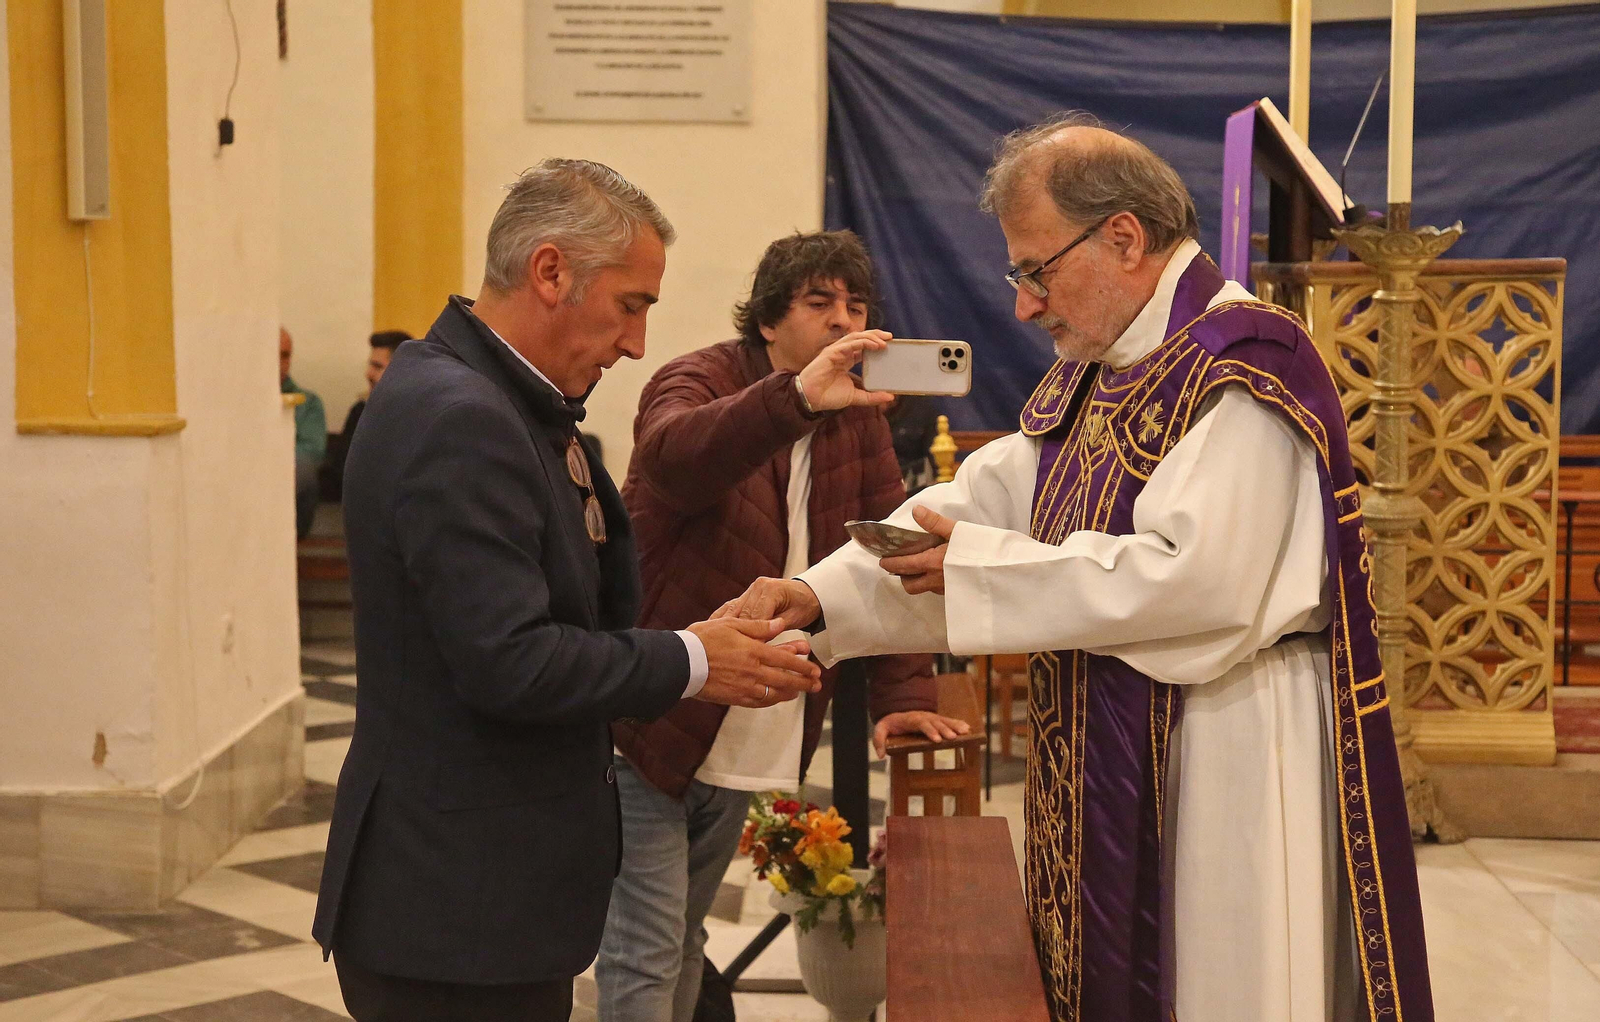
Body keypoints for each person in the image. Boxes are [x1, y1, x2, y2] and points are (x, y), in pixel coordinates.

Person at [721, 113, 1434, 1022]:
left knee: (1213, 982)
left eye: (1034, 268)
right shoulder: (1103, 367)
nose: (1024, 302)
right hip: (1112, 731)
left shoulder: (1243, 364)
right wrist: (817, 594)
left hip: (1221, 743)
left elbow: (1197, 579)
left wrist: (977, 567)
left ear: (1124, 238)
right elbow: (980, 500)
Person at [311, 158, 824, 1022]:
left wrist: (699, 633)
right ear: (551, 272)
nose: (637, 343)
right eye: (632, 305)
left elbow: (568, 610)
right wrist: (694, 660)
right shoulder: (460, 415)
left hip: (486, 899)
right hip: (451, 908)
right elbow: (509, 662)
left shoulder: (510, 398)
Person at [599, 230, 967, 1021]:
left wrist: (903, 692)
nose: (843, 322)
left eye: (856, 305)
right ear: (768, 321)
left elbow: (883, 551)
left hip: (753, 715)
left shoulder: (860, 419)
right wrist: (793, 401)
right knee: (647, 950)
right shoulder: (696, 378)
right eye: (818, 303)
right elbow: (671, 460)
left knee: (682, 936)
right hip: (653, 712)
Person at [321, 330, 411, 503]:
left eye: (377, 366)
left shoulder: (423, 415)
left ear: (401, 369)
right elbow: (343, 470)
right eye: (370, 365)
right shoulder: (360, 411)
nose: (368, 374)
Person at [280, 326, 327, 539]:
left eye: (285, 355)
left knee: (302, 467)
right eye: (273, 355)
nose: (279, 363)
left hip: (291, 500)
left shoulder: (309, 403)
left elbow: (311, 454)